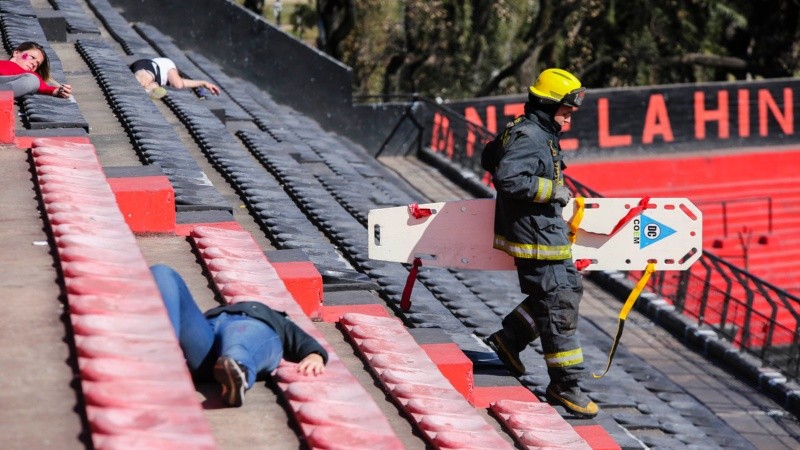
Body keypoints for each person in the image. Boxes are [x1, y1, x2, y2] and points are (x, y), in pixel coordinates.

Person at [482, 68, 598, 418]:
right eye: (565, 111)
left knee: (565, 291)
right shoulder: (530, 136)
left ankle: (510, 339)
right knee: (559, 304)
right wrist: (553, 191)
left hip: (546, 235)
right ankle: (565, 385)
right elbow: (508, 178)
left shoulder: (533, 131)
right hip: (536, 239)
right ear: (548, 106)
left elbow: (490, 156)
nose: (569, 118)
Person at [150, 264, 328, 407]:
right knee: (162, 272)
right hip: (208, 344)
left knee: (237, 341)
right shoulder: (218, 313)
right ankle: (165, 354)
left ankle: (237, 374)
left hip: (250, 329)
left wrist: (315, 355)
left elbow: (302, 341)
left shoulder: (276, 320)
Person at [0, 41, 72, 99]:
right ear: (16, 53)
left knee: (33, 80)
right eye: (32, 57)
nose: (34, 64)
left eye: (37, 64)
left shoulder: (32, 76)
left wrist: (58, 91)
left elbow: (44, 87)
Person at [129, 57, 220, 100]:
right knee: (143, 79)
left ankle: (147, 90)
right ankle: (141, 88)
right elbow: (179, 84)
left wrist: (203, 83)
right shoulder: (170, 65)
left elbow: (183, 82)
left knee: (152, 85)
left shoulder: (166, 79)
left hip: (148, 71)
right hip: (149, 67)